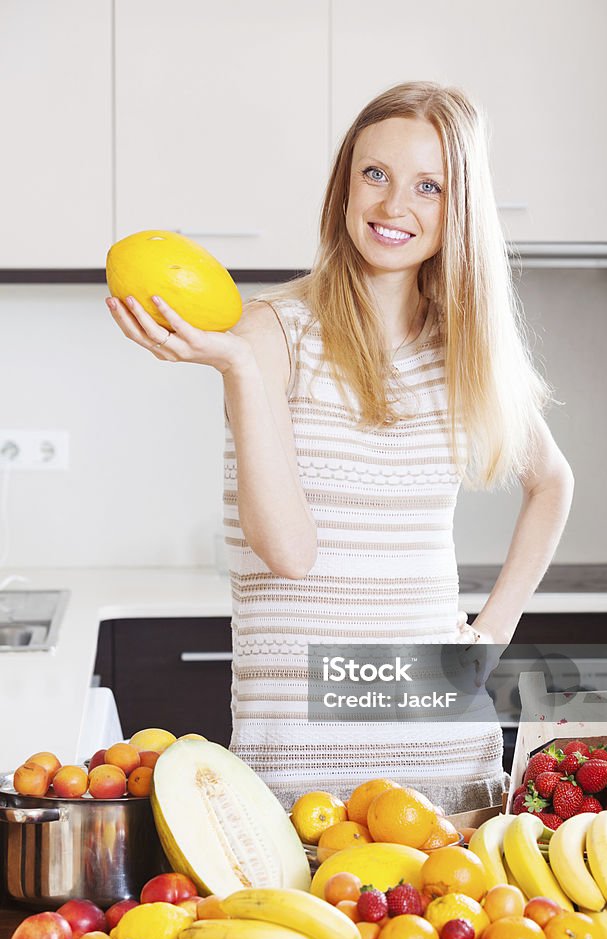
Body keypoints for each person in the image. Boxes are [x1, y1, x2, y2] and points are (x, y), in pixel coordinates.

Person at [105, 81, 573, 813]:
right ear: (345, 186)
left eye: (430, 186)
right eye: (375, 174)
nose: (394, 207)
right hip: (300, 764)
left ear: (461, 210)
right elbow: (288, 552)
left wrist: (489, 636)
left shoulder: (464, 349)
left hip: (442, 751)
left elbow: (551, 482)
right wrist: (235, 369)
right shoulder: (270, 332)